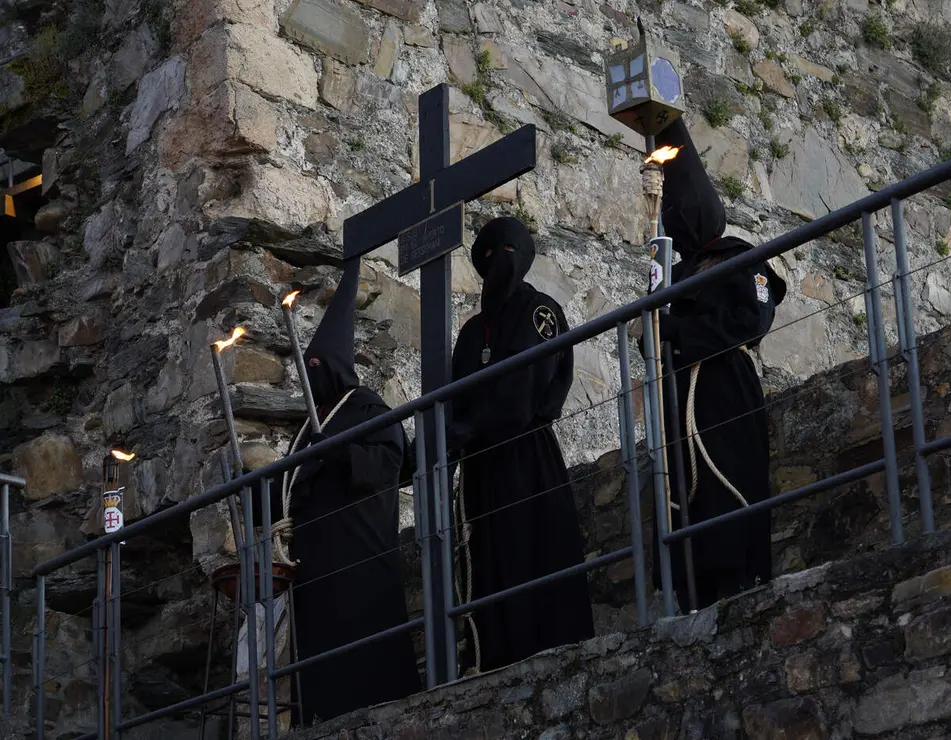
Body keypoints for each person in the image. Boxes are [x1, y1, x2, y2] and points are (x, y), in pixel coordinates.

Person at [260, 257, 421, 725]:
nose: (314, 374)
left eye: (320, 366)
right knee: (321, 675)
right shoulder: (304, 431)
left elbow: (389, 463)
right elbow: (287, 492)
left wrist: (339, 453)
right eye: (308, 368)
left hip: (359, 557)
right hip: (314, 571)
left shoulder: (368, 409)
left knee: (367, 664)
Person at [641, 116, 787, 613]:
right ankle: (691, 586)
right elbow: (652, 338)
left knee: (730, 481)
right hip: (682, 394)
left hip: (724, 388)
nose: (681, 218)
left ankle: (737, 579)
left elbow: (751, 319)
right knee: (688, 490)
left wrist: (679, 332)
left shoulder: (741, 259)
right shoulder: (669, 272)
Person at [447, 216, 595, 673]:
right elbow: (456, 395)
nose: (501, 268)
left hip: (526, 456)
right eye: (492, 259)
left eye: (510, 256)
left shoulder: (541, 313)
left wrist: (469, 428)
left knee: (530, 549)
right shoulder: (473, 333)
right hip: (481, 467)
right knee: (491, 556)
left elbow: (523, 389)